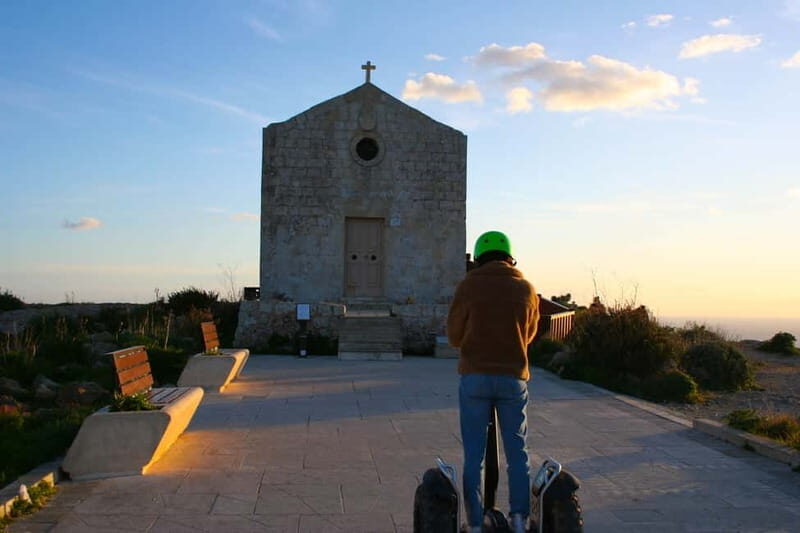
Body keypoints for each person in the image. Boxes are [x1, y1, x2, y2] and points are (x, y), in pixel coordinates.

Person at [447, 231, 540, 533]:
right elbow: (529, 335)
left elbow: (453, 335)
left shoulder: (468, 286)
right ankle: (518, 520)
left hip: (475, 377)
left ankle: (474, 525)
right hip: (513, 378)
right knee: (518, 454)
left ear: (478, 258)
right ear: (510, 257)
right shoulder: (526, 289)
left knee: (474, 456)